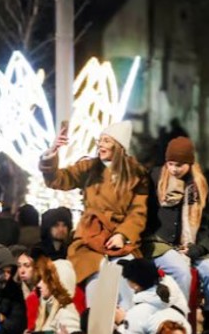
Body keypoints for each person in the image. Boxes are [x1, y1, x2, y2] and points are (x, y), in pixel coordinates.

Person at [40, 120, 149, 299]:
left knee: (127, 274)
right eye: (100, 140)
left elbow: (138, 212)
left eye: (106, 141)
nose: (100, 144)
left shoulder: (136, 175)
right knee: (96, 277)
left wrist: (122, 235)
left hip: (119, 239)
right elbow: (58, 179)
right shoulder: (89, 168)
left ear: (119, 146)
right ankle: (95, 324)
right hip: (90, 237)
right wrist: (52, 153)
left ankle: (127, 323)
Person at [145, 136, 209, 319]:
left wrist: (200, 248)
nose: (174, 169)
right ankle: (179, 320)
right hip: (160, 244)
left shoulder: (200, 185)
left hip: (192, 245)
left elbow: (208, 222)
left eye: (179, 165)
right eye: (171, 163)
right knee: (182, 272)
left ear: (189, 163)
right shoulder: (156, 178)